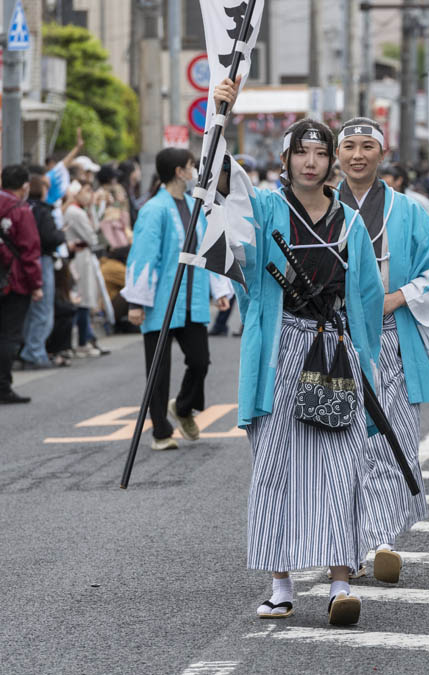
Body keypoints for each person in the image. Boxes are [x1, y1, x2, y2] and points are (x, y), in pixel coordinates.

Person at [214, 76, 386, 627]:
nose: (311, 162)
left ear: (332, 162)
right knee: (276, 465)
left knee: (341, 466)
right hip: (280, 349)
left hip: (335, 351)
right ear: (284, 159)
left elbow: (365, 298)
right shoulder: (265, 210)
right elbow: (220, 187)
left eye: (320, 153)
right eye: (301, 153)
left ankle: (340, 584)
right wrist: (221, 116)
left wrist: (367, 368)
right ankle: (281, 585)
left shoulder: (350, 222)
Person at [335, 116, 429, 583]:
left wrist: (396, 297)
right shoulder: (316, 208)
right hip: (333, 340)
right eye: (349, 147)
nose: (357, 155)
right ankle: (343, 543)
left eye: (367, 146)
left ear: (382, 154)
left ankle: (381, 538)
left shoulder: (410, 212)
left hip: (389, 337)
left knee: (390, 436)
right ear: (336, 155)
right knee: (339, 444)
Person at [120, 148, 232, 451]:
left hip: (191, 300)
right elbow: (143, 256)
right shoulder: (154, 209)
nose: (195, 170)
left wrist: (219, 290)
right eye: (191, 166)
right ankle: (160, 431)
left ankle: (182, 407)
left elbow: (208, 251)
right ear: (179, 172)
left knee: (200, 362)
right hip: (159, 301)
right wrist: (136, 302)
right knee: (158, 369)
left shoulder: (194, 205)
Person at [0, 165, 44, 404]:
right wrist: (36, 284)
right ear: (25, 186)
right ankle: (3, 387)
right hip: (13, 281)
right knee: (8, 335)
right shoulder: (20, 210)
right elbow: (30, 250)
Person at [18, 166, 64, 369]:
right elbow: (50, 238)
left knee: (31, 310)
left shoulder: (23, 207)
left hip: (23, 261)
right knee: (42, 309)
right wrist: (62, 235)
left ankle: (30, 350)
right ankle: (34, 352)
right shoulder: (42, 211)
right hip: (42, 260)